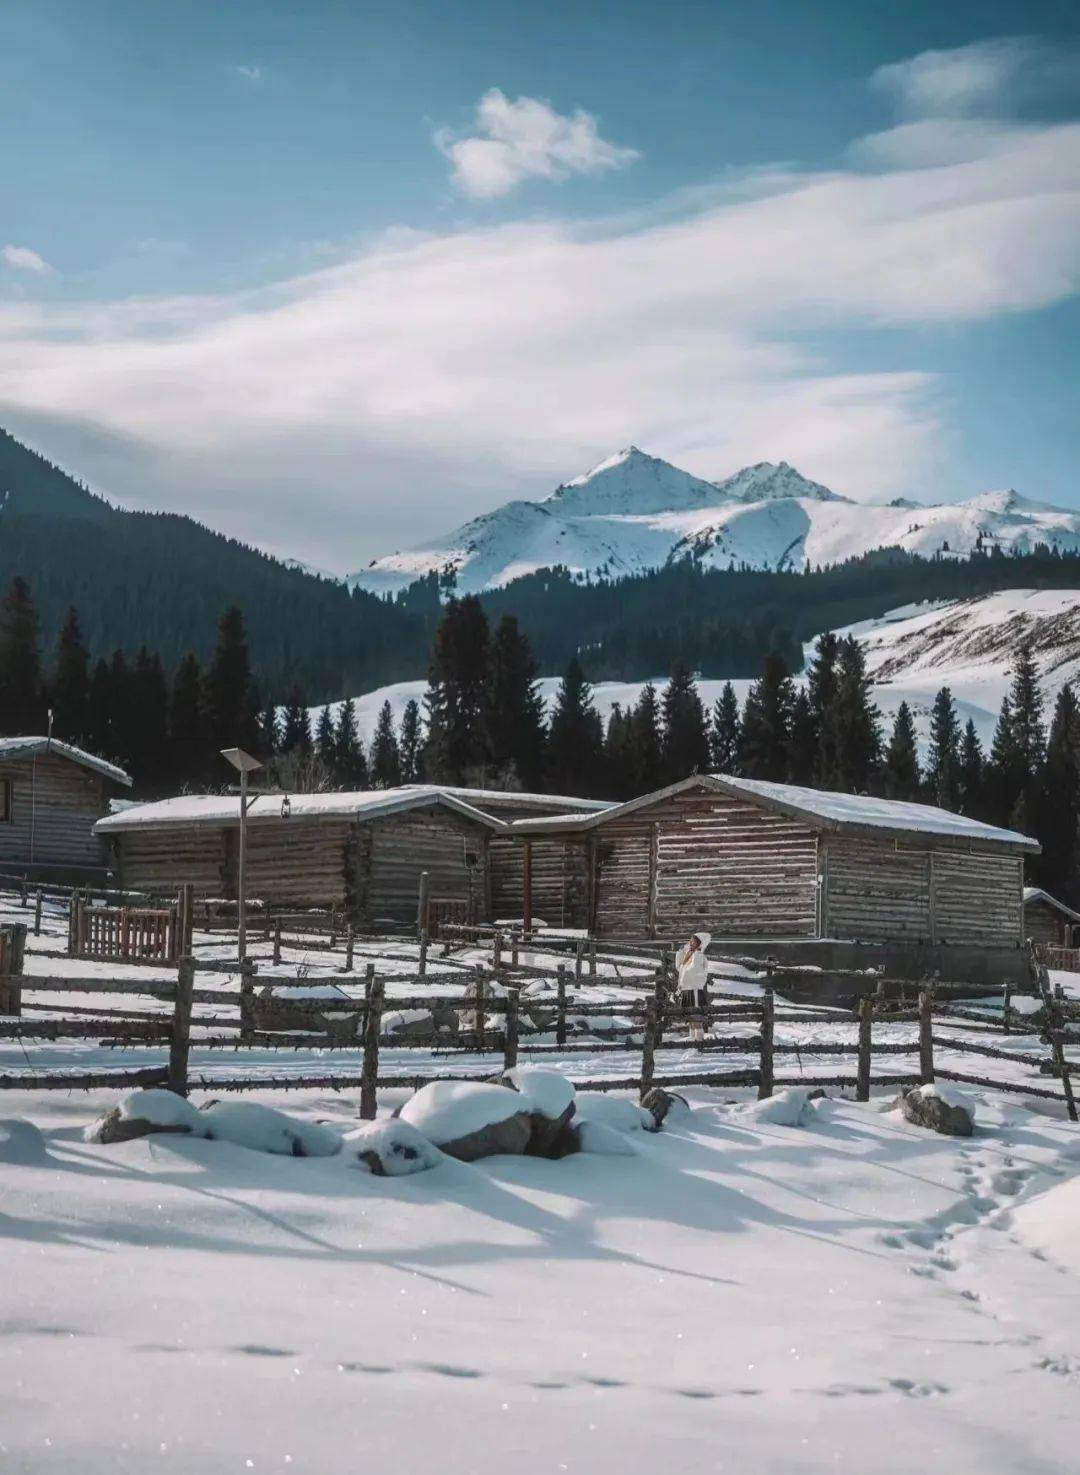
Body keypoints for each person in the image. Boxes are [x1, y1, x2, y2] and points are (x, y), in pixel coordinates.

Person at [675, 931, 711, 1040]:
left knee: (696, 1019)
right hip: (687, 989)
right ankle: (692, 1041)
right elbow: (680, 968)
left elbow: (693, 971)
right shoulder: (690, 953)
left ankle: (699, 1043)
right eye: (690, 941)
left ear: (699, 943)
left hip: (694, 990)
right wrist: (681, 953)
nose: (690, 943)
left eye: (693, 942)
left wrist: (692, 955)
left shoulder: (699, 956)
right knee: (690, 1018)